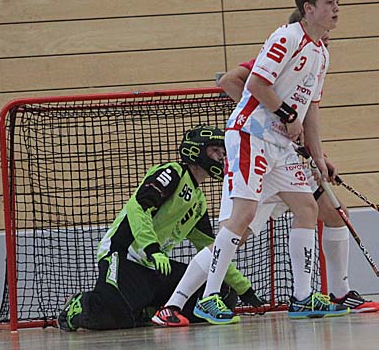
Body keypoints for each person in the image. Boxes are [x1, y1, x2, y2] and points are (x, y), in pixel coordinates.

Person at [187, 0, 351, 325]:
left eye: (338, 2)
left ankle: (302, 297)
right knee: (244, 214)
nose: (337, 8)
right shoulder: (286, 37)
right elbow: (256, 83)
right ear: (309, 8)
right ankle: (208, 297)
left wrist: (318, 157)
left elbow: (312, 111)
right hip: (250, 134)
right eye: (330, 2)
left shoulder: (322, 53)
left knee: (307, 207)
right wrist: (287, 115)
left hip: (281, 146)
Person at [216, 11, 379, 314]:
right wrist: (268, 120)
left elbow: (308, 116)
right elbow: (232, 81)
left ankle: (333, 293)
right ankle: (182, 299)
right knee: (238, 230)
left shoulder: (318, 60)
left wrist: (319, 157)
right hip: (258, 147)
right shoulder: (286, 53)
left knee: (333, 212)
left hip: (286, 153)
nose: (326, 42)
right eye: (323, 36)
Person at [57, 125, 262, 331]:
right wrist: (152, 249)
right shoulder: (172, 172)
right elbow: (138, 207)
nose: (221, 157)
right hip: (123, 255)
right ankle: (77, 307)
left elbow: (213, 249)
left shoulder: (198, 201)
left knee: (224, 294)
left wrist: (244, 289)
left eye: (223, 152)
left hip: (155, 266)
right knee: (109, 316)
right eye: (215, 150)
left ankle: (148, 311)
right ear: (196, 150)